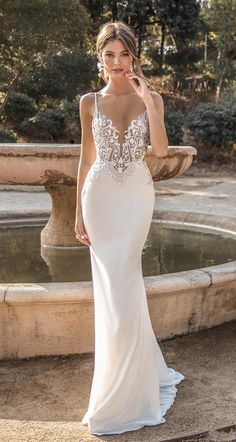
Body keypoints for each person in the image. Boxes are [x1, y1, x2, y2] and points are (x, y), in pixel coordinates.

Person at [75, 20, 185, 436]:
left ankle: (128, 390)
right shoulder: (89, 101)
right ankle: (114, 387)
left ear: (133, 56)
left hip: (135, 197)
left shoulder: (149, 96)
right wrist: (78, 213)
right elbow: (86, 159)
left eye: (123, 55)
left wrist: (148, 101)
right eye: (109, 55)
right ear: (99, 57)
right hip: (99, 198)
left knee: (125, 284)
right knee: (114, 294)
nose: (117, 63)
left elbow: (159, 150)